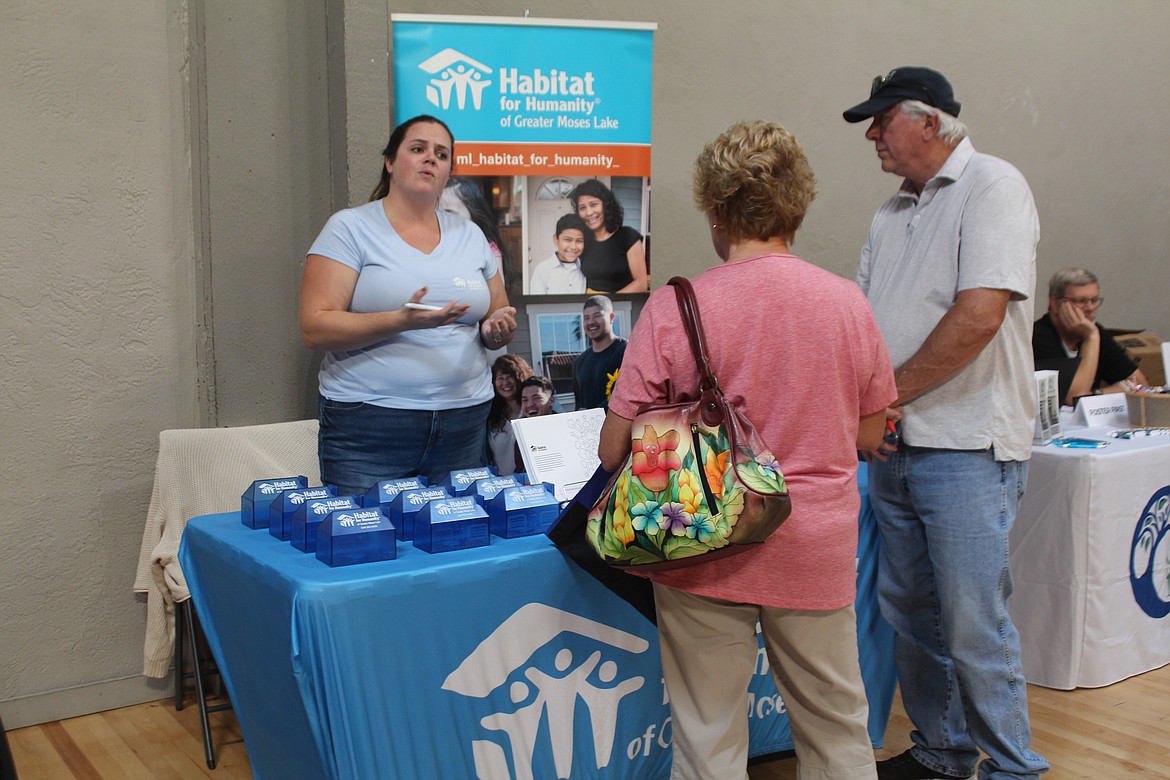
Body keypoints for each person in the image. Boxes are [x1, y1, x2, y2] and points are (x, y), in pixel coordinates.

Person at [598, 119, 896, 780]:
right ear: (797, 205)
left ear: (714, 210)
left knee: (707, 736)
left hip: (700, 541)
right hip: (812, 542)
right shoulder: (848, 305)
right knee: (837, 728)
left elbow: (615, 446)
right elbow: (870, 436)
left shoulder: (677, 307)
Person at [844, 67, 1049, 779]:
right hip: (898, 448)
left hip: (967, 445)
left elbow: (980, 316)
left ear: (931, 122)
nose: (871, 134)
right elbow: (866, 324)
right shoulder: (891, 211)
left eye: (882, 120)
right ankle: (941, 752)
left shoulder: (994, 187)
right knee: (911, 615)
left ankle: (1016, 766)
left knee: (971, 622)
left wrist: (887, 397)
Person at [300, 114, 517, 494]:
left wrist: (496, 328)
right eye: (418, 149)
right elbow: (315, 327)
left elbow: (497, 315)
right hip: (371, 423)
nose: (430, 159)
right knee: (369, 545)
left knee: (456, 544)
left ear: (449, 170)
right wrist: (401, 320)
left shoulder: (471, 235)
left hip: (464, 422)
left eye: (441, 154)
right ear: (390, 162)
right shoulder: (349, 228)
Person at [1032, 267, 1145, 405]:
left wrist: (1096, 394)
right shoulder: (1038, 336)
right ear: (1055, 304)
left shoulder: (1096, 331)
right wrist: (1090, 338)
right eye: (1080, 300)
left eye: (1094, 300)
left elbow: (1139, 384)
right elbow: (1073, 397)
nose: (1090, 308)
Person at [439, 176, 519, 292]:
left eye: (450, 214)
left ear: (474, 215)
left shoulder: (486, 250)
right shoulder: (435, 247)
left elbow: (498, 298)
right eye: (437, 214)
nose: (442, 220)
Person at [568, 179, 649, 294]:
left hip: (622, 306)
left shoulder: (628, 237)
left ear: (606, 205)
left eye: (593, 204)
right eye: (582, 208)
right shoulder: (583, 242)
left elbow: (641, 284)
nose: (589, 213)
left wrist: (606, 303)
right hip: (590, 306)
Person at [572, 295, 626, 410]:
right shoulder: (579, 363)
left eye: (597, 316)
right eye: (586, 318)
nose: (591, 322)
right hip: (590, 427)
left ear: (612, 317)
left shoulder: (626, 351)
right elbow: (579, 405)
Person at [486, 354, 533, 476]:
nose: (505, 383)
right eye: (500, 378)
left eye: (510, 377)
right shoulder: (490, 415)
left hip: (533, 484)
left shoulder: (534, 410)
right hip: (503, 484)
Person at [529, 213, 588, 294]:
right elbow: (536, 304)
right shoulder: (542, 270)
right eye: (568, 240)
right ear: (556, 240)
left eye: (579, 241)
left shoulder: (585, 268)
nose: (573, 247)